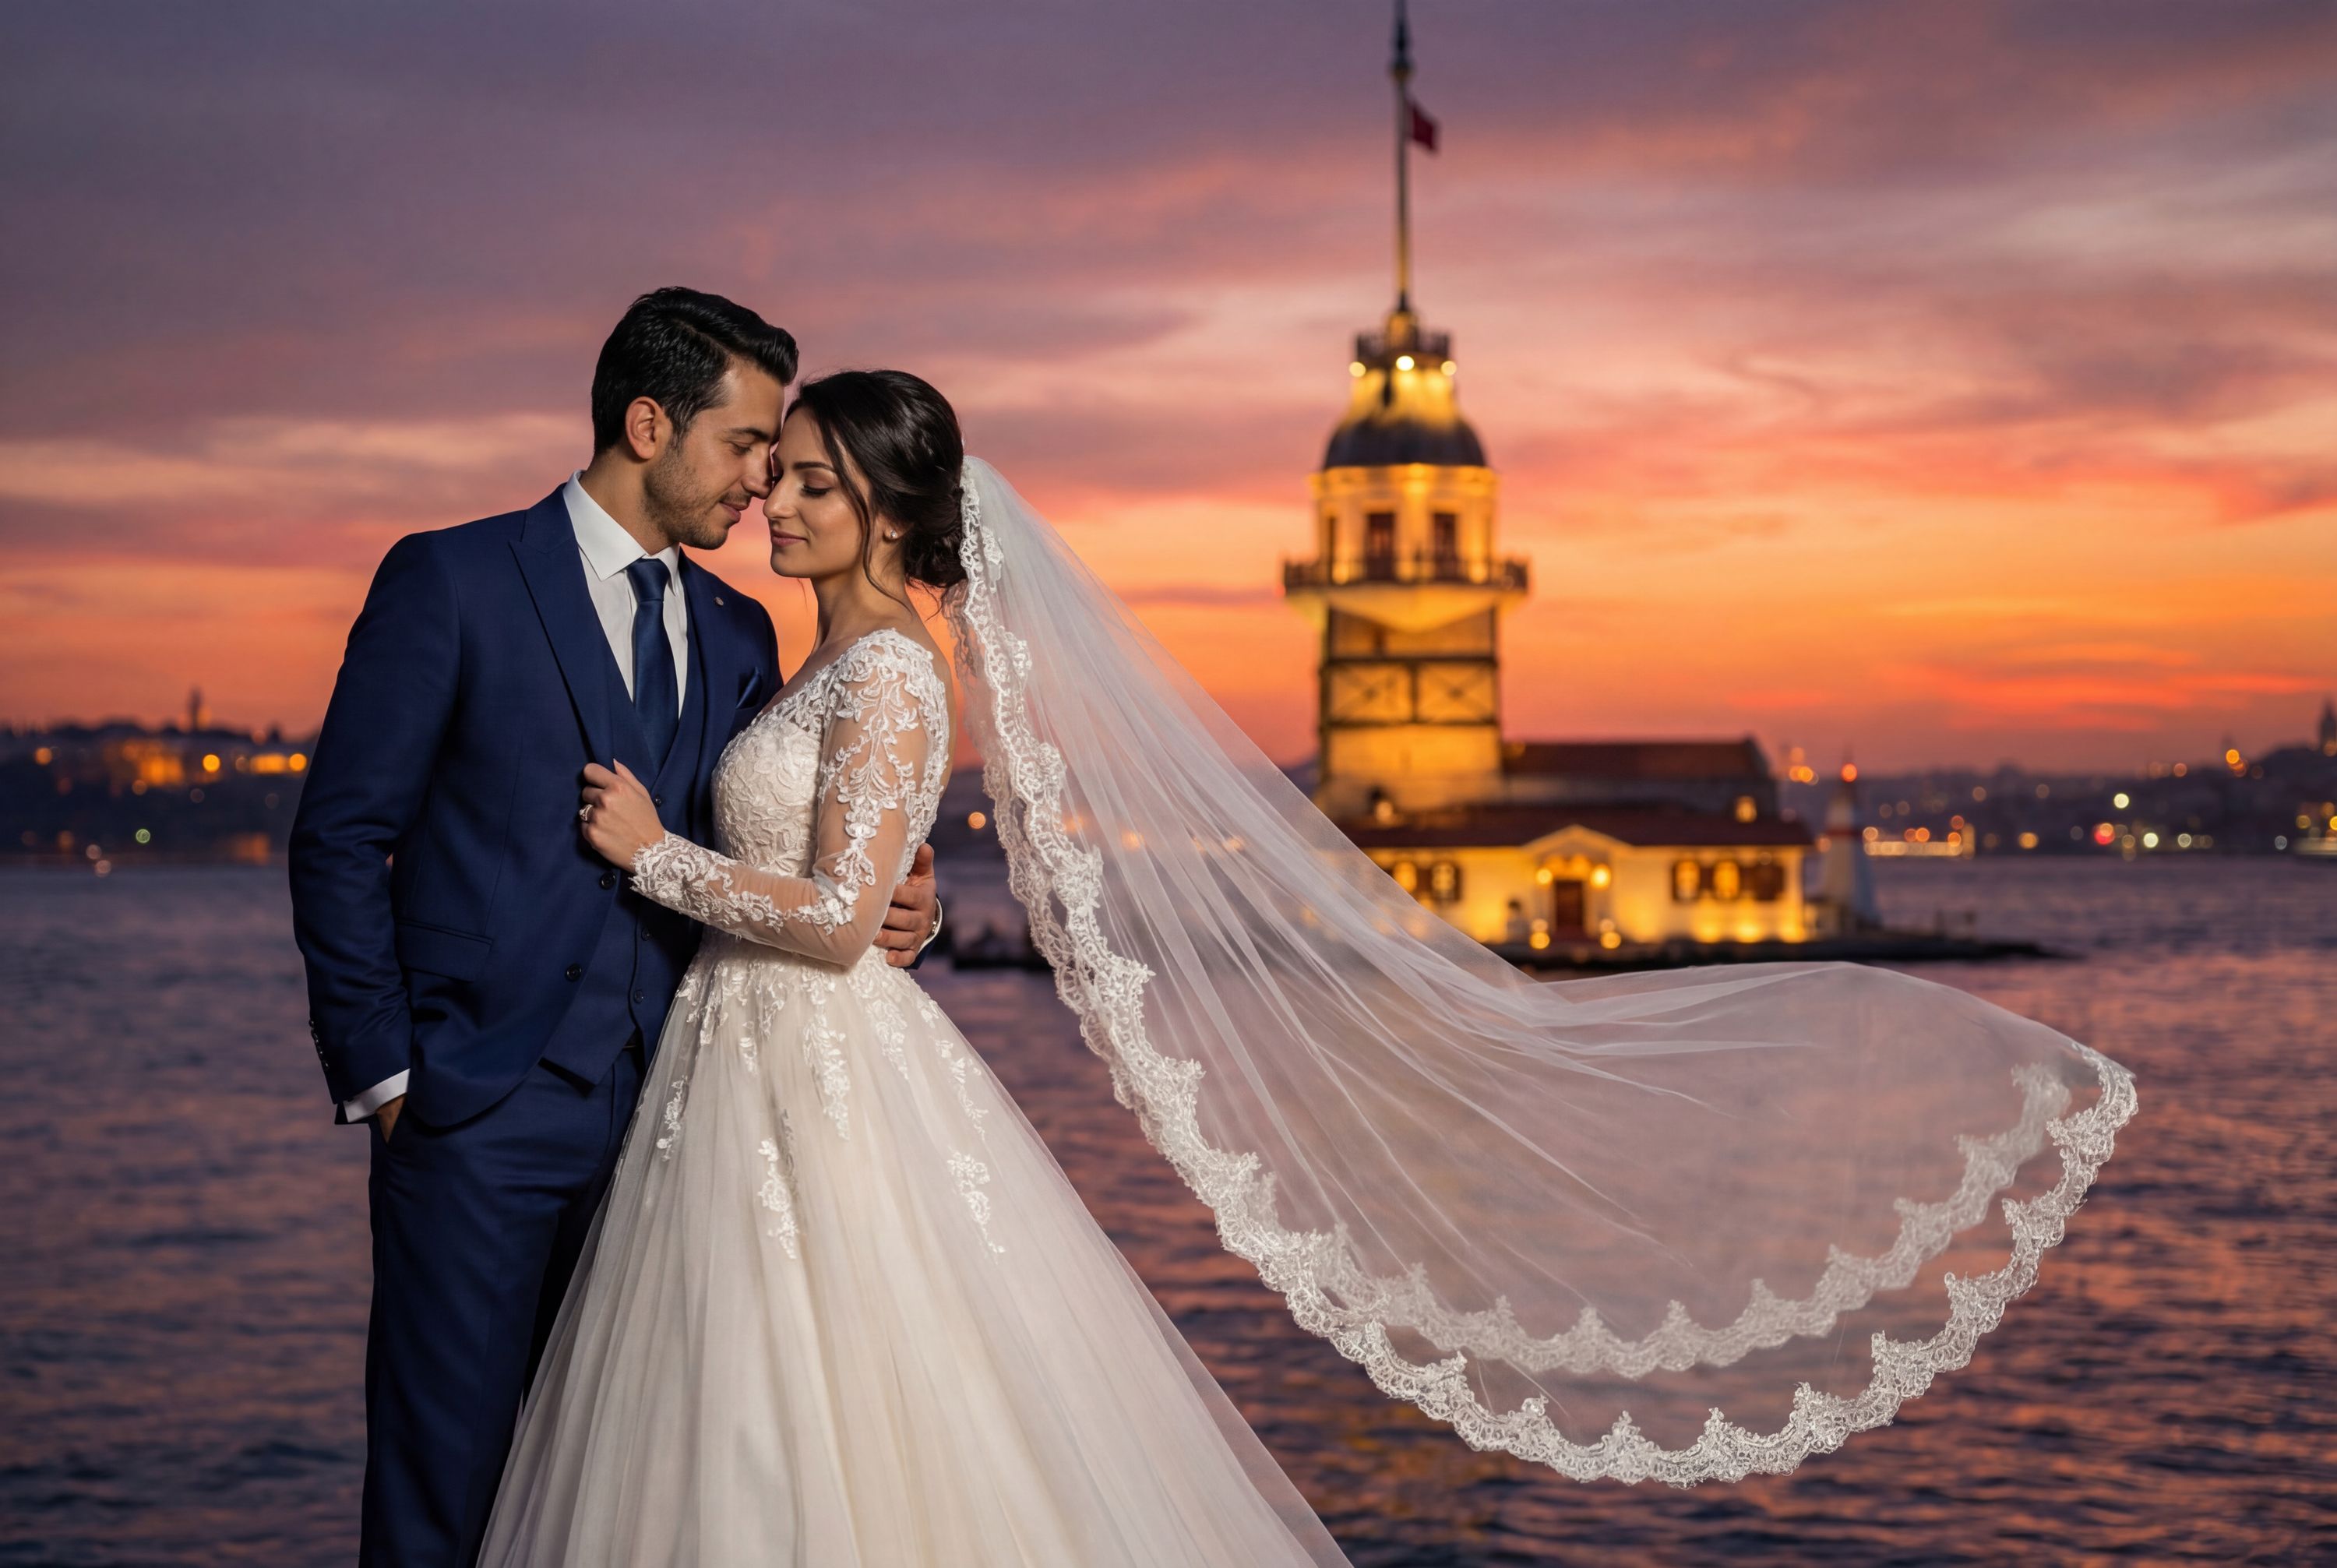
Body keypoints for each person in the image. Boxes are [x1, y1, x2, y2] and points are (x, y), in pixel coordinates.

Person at [485, 368, 2134, 1563]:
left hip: (813, 1056)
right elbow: (854, 885)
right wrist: (834, 882)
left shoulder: (898, 672)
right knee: (758, 1393)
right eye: (786, 477)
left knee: (847, 1383)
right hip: (752, 1059)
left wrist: (659, 855)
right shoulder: (813, 652)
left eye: (821, 482)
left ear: (897, 512)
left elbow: (838, 915)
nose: (780, 500)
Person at [287, 291, 942, 1566]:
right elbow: (339, 836)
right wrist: (391, 1079)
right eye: (749, 444)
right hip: (475, 1119)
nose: (764, 482)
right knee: (445, 1504)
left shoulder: (745, 631)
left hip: (681, 1132)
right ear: (650, 423)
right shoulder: (455, 579)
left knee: (628, 1501)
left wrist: (905, 899)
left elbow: (786, 839)